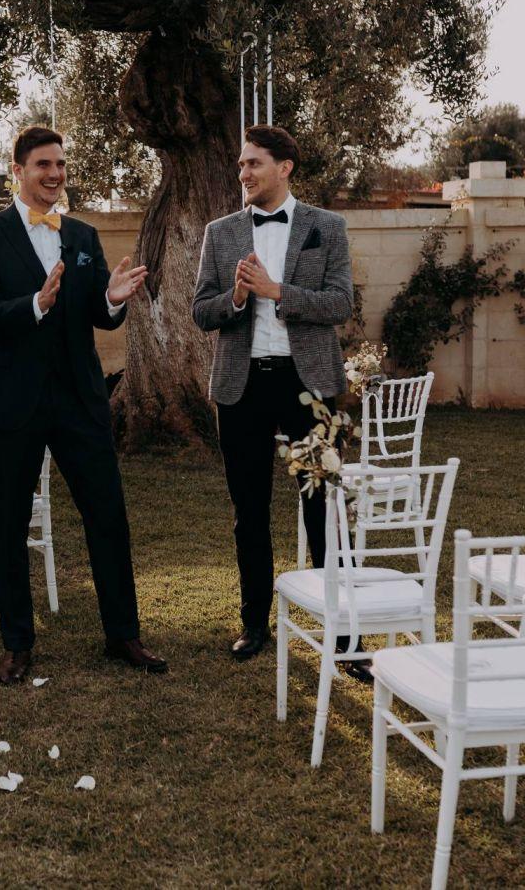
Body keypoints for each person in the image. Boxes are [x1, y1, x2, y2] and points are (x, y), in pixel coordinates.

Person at [0, 125, 167, 684]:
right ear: (18, 171)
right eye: (43, 165)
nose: (54, 174)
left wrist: (112, 298)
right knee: (9, 524)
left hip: (79, 399)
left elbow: (99, 313)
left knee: (108, 515)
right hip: (13, 400)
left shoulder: (82, 235)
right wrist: (34, 303)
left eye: (60, 165)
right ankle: (17, 645)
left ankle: (123, 635)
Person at [191, 125, 361, 673]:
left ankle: (343, 633)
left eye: (254, 163)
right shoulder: (220, 233)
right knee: (249, 510)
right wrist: (238, 298)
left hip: (308, 387)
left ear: (284, 167)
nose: (243, 173)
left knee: (322, 506)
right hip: (240, 387)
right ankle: (254, 623)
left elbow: (341, 303)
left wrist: (277, 292)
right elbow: (201, 311)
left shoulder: (326, 227)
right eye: (241, 164)